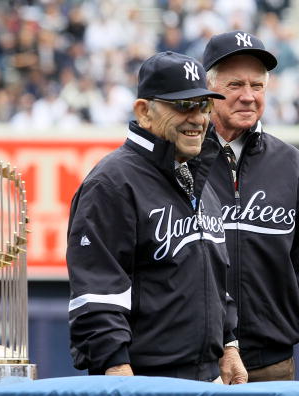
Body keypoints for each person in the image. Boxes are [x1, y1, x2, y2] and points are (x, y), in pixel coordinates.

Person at [66, 51, 247, 384]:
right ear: (144, 111)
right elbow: (98, 291)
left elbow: (214, 278)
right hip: (143, 378)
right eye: (183, 106)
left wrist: (229, 344)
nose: (197, 118)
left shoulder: (197, 178)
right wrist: (116, 369)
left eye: (203, 105)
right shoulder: (112, 183)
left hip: (205, 377)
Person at [202, 31, 299, 383]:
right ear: (208, 90)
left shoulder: (293, 166)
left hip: (272, 363)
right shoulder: (181, 163)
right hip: (196, 363)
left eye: (258, 86)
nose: (248, 96)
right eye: (235, 85)